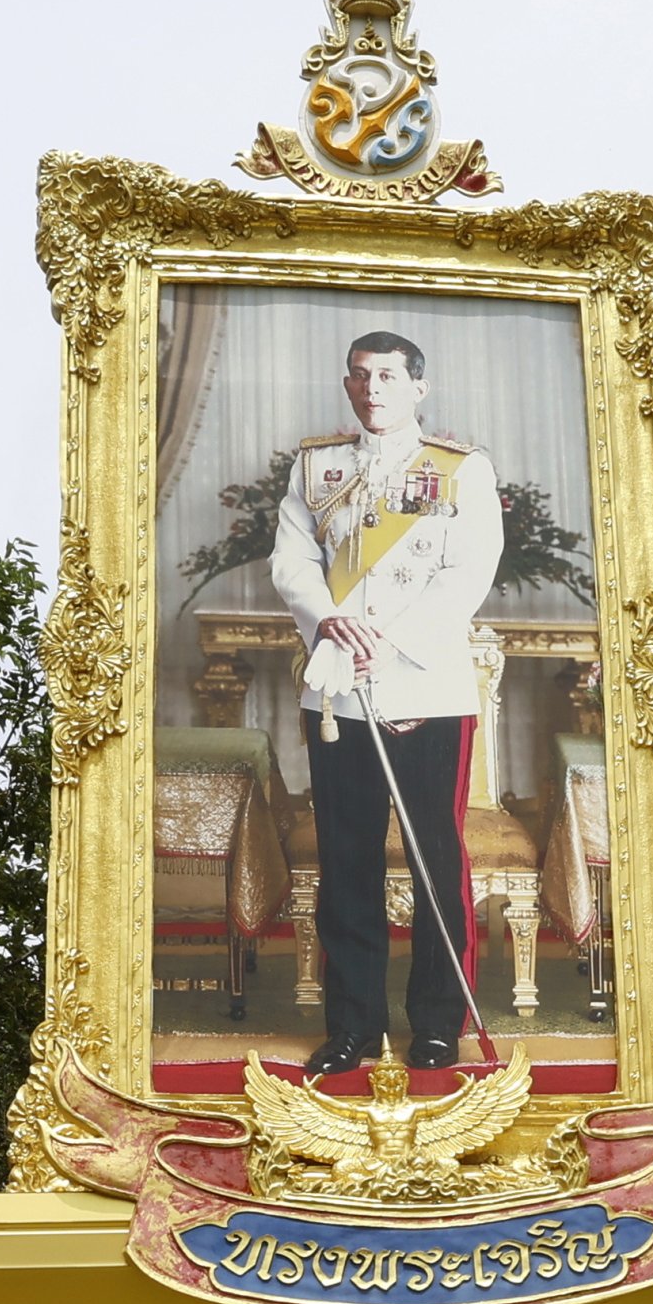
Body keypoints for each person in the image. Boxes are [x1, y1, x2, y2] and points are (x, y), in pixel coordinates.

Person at [266, 327, 503, 1073]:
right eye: (361, 376)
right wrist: (326, 615)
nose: (373, 389)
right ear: (347, 385)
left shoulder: (460, 470)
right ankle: (354, 1027)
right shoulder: (316, 467)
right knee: (347, 862)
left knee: (435, 859)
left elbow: (466, 575)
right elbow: (291, 560)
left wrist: (388, 650)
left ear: (417, 387)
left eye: (389, 376)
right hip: (336, 688)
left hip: (424, 688)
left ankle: (436, 1022)